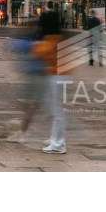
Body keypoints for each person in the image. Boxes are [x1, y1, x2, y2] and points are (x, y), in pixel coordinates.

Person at [32, 9, 66, 154]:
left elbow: (38, 53)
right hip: (56, 76)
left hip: (56, 77)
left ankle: (58, 144)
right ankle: (55, 138)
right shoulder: (57, 37)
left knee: (57, 111)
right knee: (53, 109)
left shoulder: (51, 39)